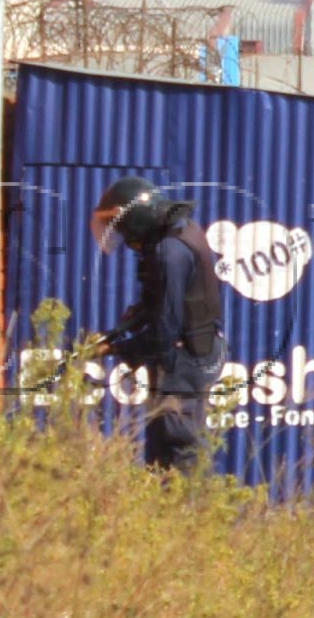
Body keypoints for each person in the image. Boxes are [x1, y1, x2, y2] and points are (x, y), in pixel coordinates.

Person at [91, 176, 225, 470]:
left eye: (119, 224)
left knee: (179, 449)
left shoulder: (169, 252)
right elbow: (160, 304)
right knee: (164, 448)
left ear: (134, 220)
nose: (120, 235)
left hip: (184, 359)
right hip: (196, 350)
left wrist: (119, 349)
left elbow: (166, 329)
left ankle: (187, 513)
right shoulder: (181, 230)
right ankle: (171, 509)